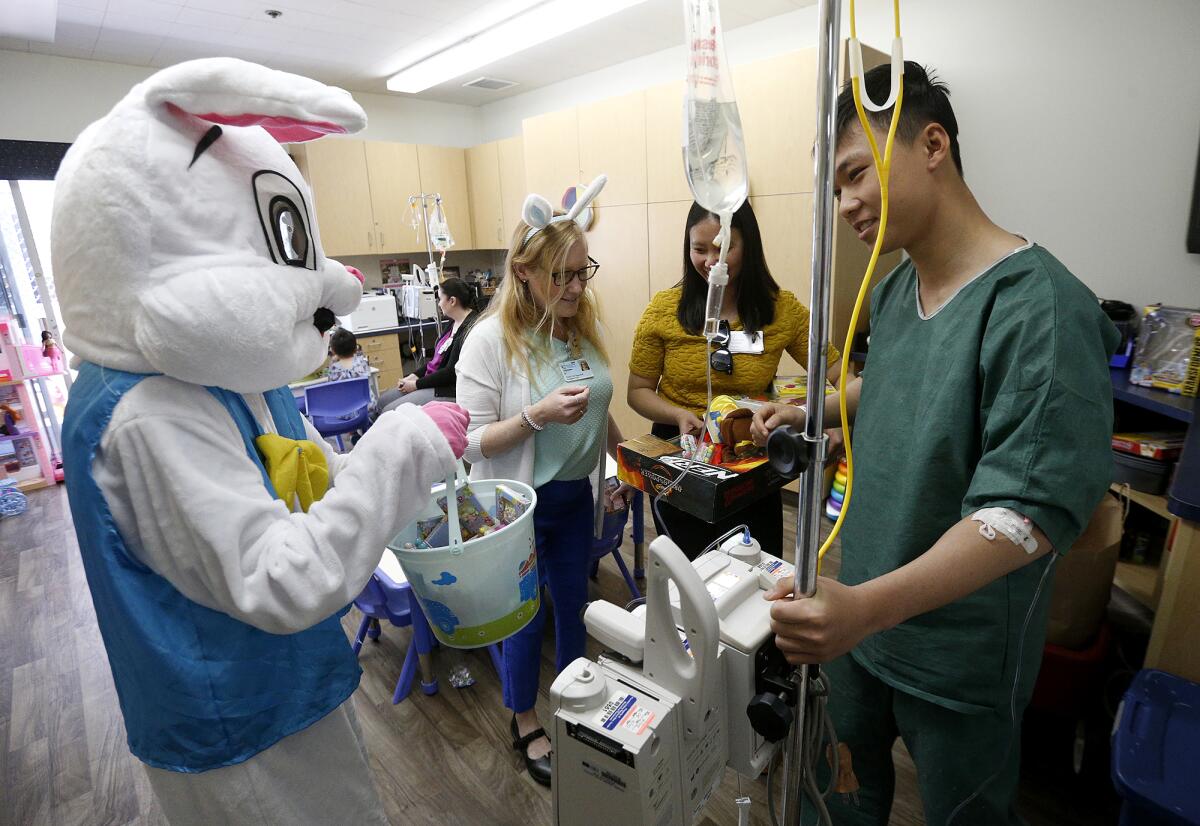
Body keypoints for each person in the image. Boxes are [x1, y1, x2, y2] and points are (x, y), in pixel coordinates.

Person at [53, 58, 471, 825]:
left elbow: (308, 479)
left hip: (291, 684)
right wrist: (401, 447)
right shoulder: (149, 412)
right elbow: (279, 579)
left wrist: (385, 463)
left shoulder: (234, 373)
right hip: (233, 725)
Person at [751, 63, 1118, 825]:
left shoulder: (1041, 310)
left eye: (855, 175)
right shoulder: (893, 290)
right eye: (837, 188)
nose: (847, 203)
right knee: (841, 796)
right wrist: (809, 408)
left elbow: (1025, 515)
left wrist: (864, 610)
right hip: (859, 618)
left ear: (932, 144)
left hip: (956, 654)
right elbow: (897, 379)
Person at [456, 183, 633, 787]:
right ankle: (525, 718)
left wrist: (621, 465)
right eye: (561, 276)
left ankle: (577, 702)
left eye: (582, 272)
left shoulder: (577, 328)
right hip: (516, 506)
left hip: (573, 498)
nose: (576, 288)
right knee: (525, 617)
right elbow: (470, 442)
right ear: (523, 272)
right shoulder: (489, 342)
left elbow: (599, 406)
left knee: (574, 606)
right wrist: (536, 415)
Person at [627, 200, 842, 557]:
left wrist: (829, 417)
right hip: (683, 451)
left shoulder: (781, 310)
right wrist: (677, 414)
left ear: (749, 246)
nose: (711, 261)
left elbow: (838, 374)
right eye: (699, 249)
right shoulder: (664, 310)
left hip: (749, 452)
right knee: (689, 571)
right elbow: (638, 391)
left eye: (725, 248)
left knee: (756, 562)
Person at [377, 277, 478, 413]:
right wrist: (414, 376)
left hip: (448, 389)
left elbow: (450, 373)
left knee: (389, 411)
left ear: (452, 301)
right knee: (382, 401)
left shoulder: (470, 328)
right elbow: (436, 361)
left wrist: (416, 385)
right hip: (432, 380)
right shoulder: (453, 322)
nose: (438, 304)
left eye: (440, 299)